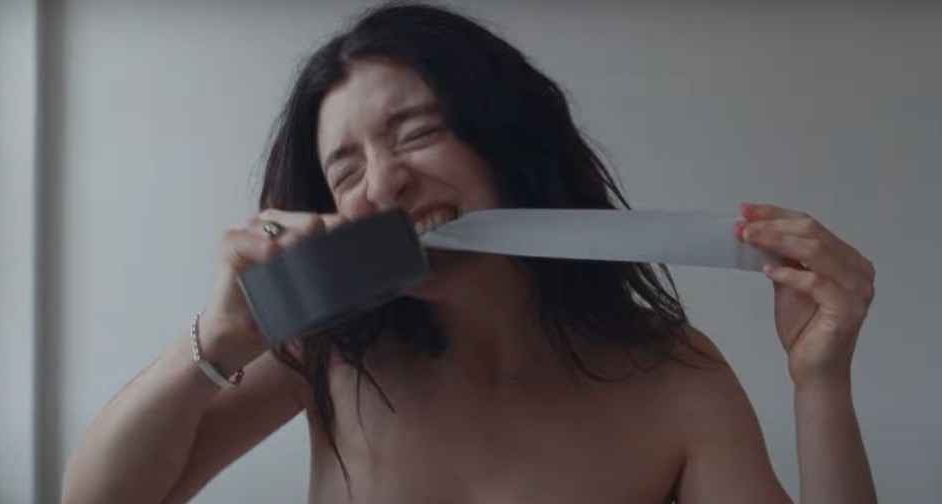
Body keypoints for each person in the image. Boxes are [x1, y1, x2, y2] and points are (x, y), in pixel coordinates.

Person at [61, 4, 878, 504]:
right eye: (346, 172)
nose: (382, 183)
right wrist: (215, 342)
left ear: (508, 143)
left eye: (418, 133)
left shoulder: (675, 378)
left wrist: (821, 385)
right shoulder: (330, 350)